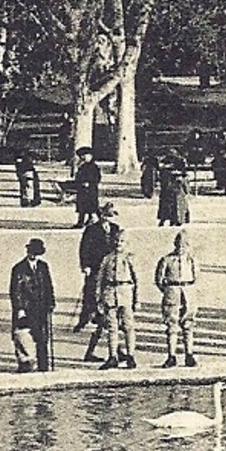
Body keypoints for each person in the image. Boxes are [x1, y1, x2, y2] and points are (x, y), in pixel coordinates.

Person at [9, 238, 56, 373]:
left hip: (41, 307)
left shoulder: (43, 266)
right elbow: (15, 291)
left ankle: (43, 366)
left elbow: (48, 286)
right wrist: (19, 308)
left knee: (42, 337)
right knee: (22, 335)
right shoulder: (19, 268)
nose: (33, 255)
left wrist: (51, 302)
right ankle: (25, 364)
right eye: (31, 252)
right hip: (26, 308)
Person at [155, 230, 200, 368]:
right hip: (172, 291)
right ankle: (171, 356)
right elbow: (159, 279)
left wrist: (189, 288)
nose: (181, 248)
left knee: (188, 323)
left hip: (188, 291)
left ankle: (189, 354)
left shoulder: (191, 260)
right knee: (171, 324)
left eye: (184, 245)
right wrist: (168, 290)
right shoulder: (166, 260)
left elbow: (196, 276)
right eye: (178, 245)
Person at [77, 204, 117, 360]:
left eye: (110, 216)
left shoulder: (115, 229)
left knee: (108, 319)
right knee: (100, 309)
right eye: (106, 215)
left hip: (110, 274)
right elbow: (84, 249)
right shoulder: (91, 230)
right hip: (95, 269)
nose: (108, 218)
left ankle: (111, 350)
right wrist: (85, 265)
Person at [96, 228, 139, 370]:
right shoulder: (107, 258)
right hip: (110, 294)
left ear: (126, 243)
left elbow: (137, 280)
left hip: (125, 293)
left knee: (128, 327)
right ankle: (113, 356)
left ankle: (131, 356)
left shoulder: (130, 258)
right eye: (116, 241)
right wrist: (99, 299)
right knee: (111, 327)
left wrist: (137, 299)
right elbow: (100, 280)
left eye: (121, 241)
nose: (118, 243)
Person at [157, 156, 191, 226]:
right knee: (172, 204)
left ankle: (177, 219)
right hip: (173, 190)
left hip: (176, 190)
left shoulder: (168, 172)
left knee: (177, 204)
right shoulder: (167, 172)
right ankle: (172, 219)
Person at [73, 147, 102, 228]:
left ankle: (93, 219)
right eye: (82, 156)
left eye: (85, 156)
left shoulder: (94, 167)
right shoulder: (82, 166)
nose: (83, 158)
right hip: (82, 190)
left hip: (91, 190)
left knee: (91, 206)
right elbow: (78, 176)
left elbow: (97, 177)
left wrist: (90, 183)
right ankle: (80, 221)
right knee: (82, 207)